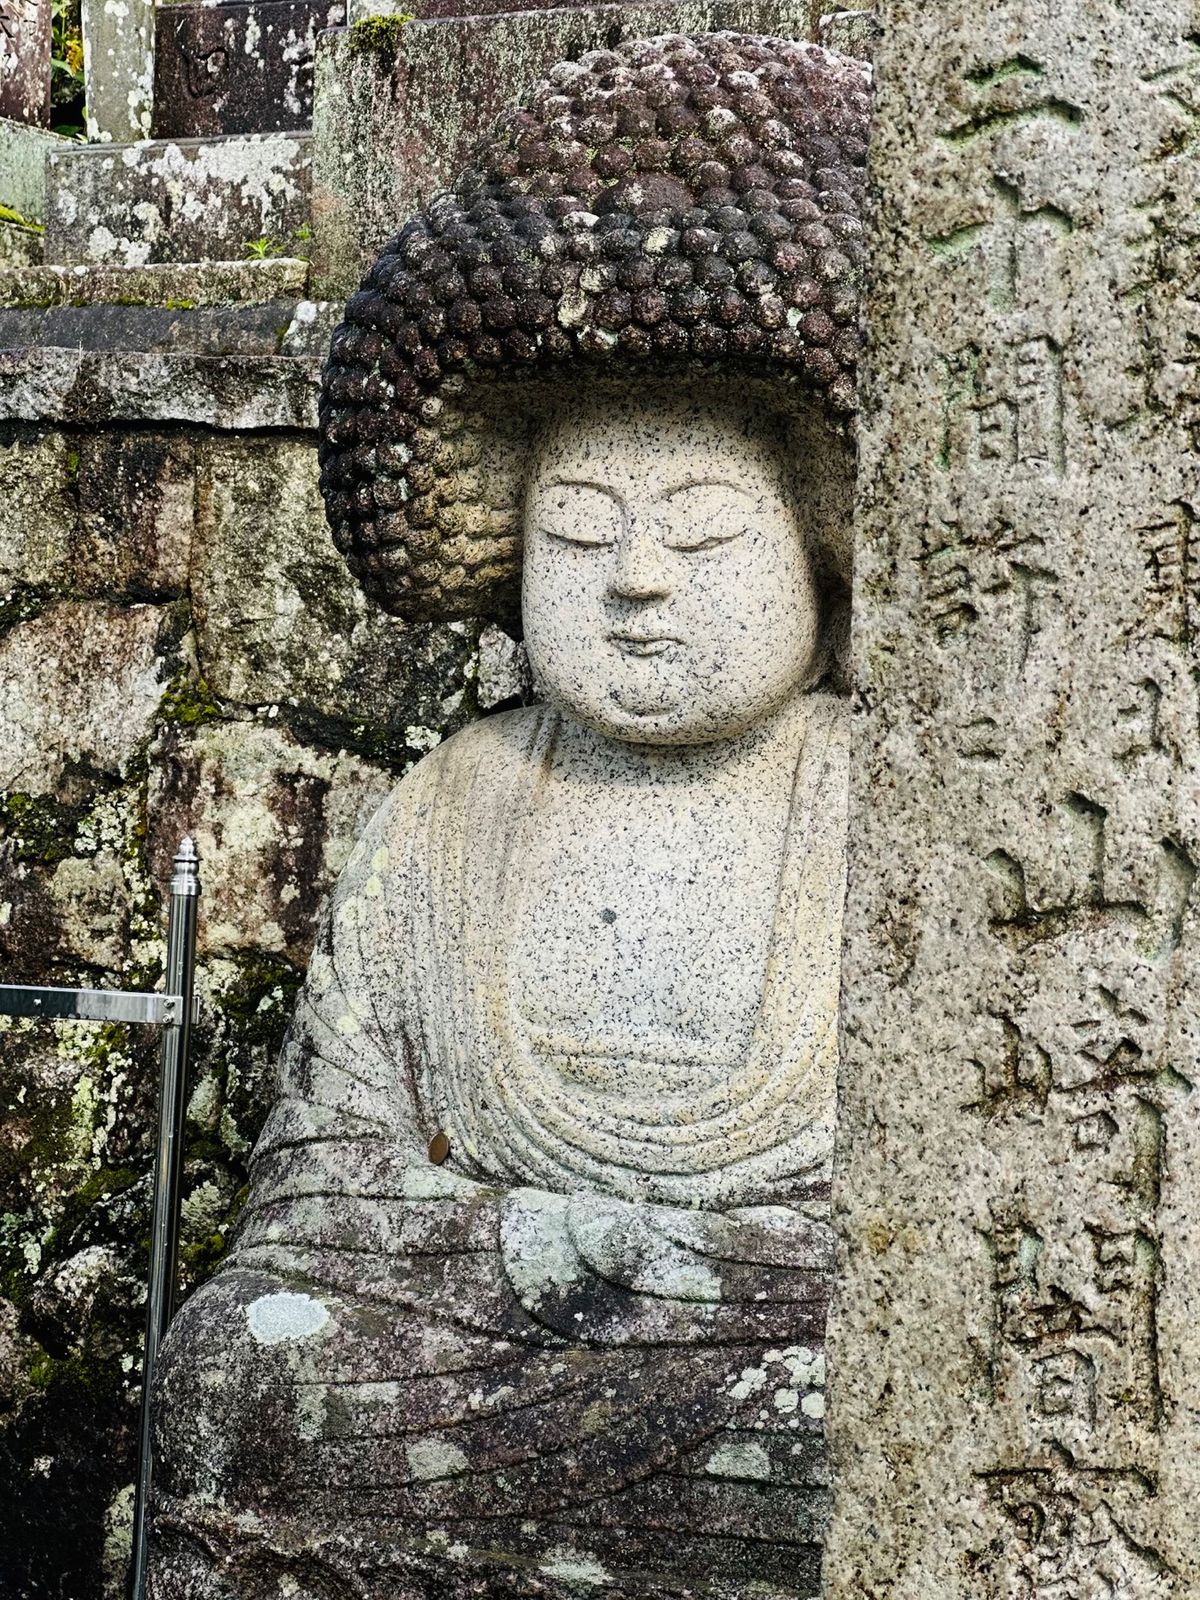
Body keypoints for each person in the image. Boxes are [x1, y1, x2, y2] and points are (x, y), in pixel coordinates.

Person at [150, 32, 869, 1599]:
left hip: (763, 1336)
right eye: (582, 530)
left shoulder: (879, 811)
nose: (635, 581)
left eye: (700, 532)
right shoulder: (454, 800)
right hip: (463, 1334)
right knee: (233, 1373)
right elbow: (320, 1188)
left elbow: (930, 1208)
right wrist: (513, 1250)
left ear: (817, 555)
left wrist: (679, 1268)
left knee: (870, 1405)